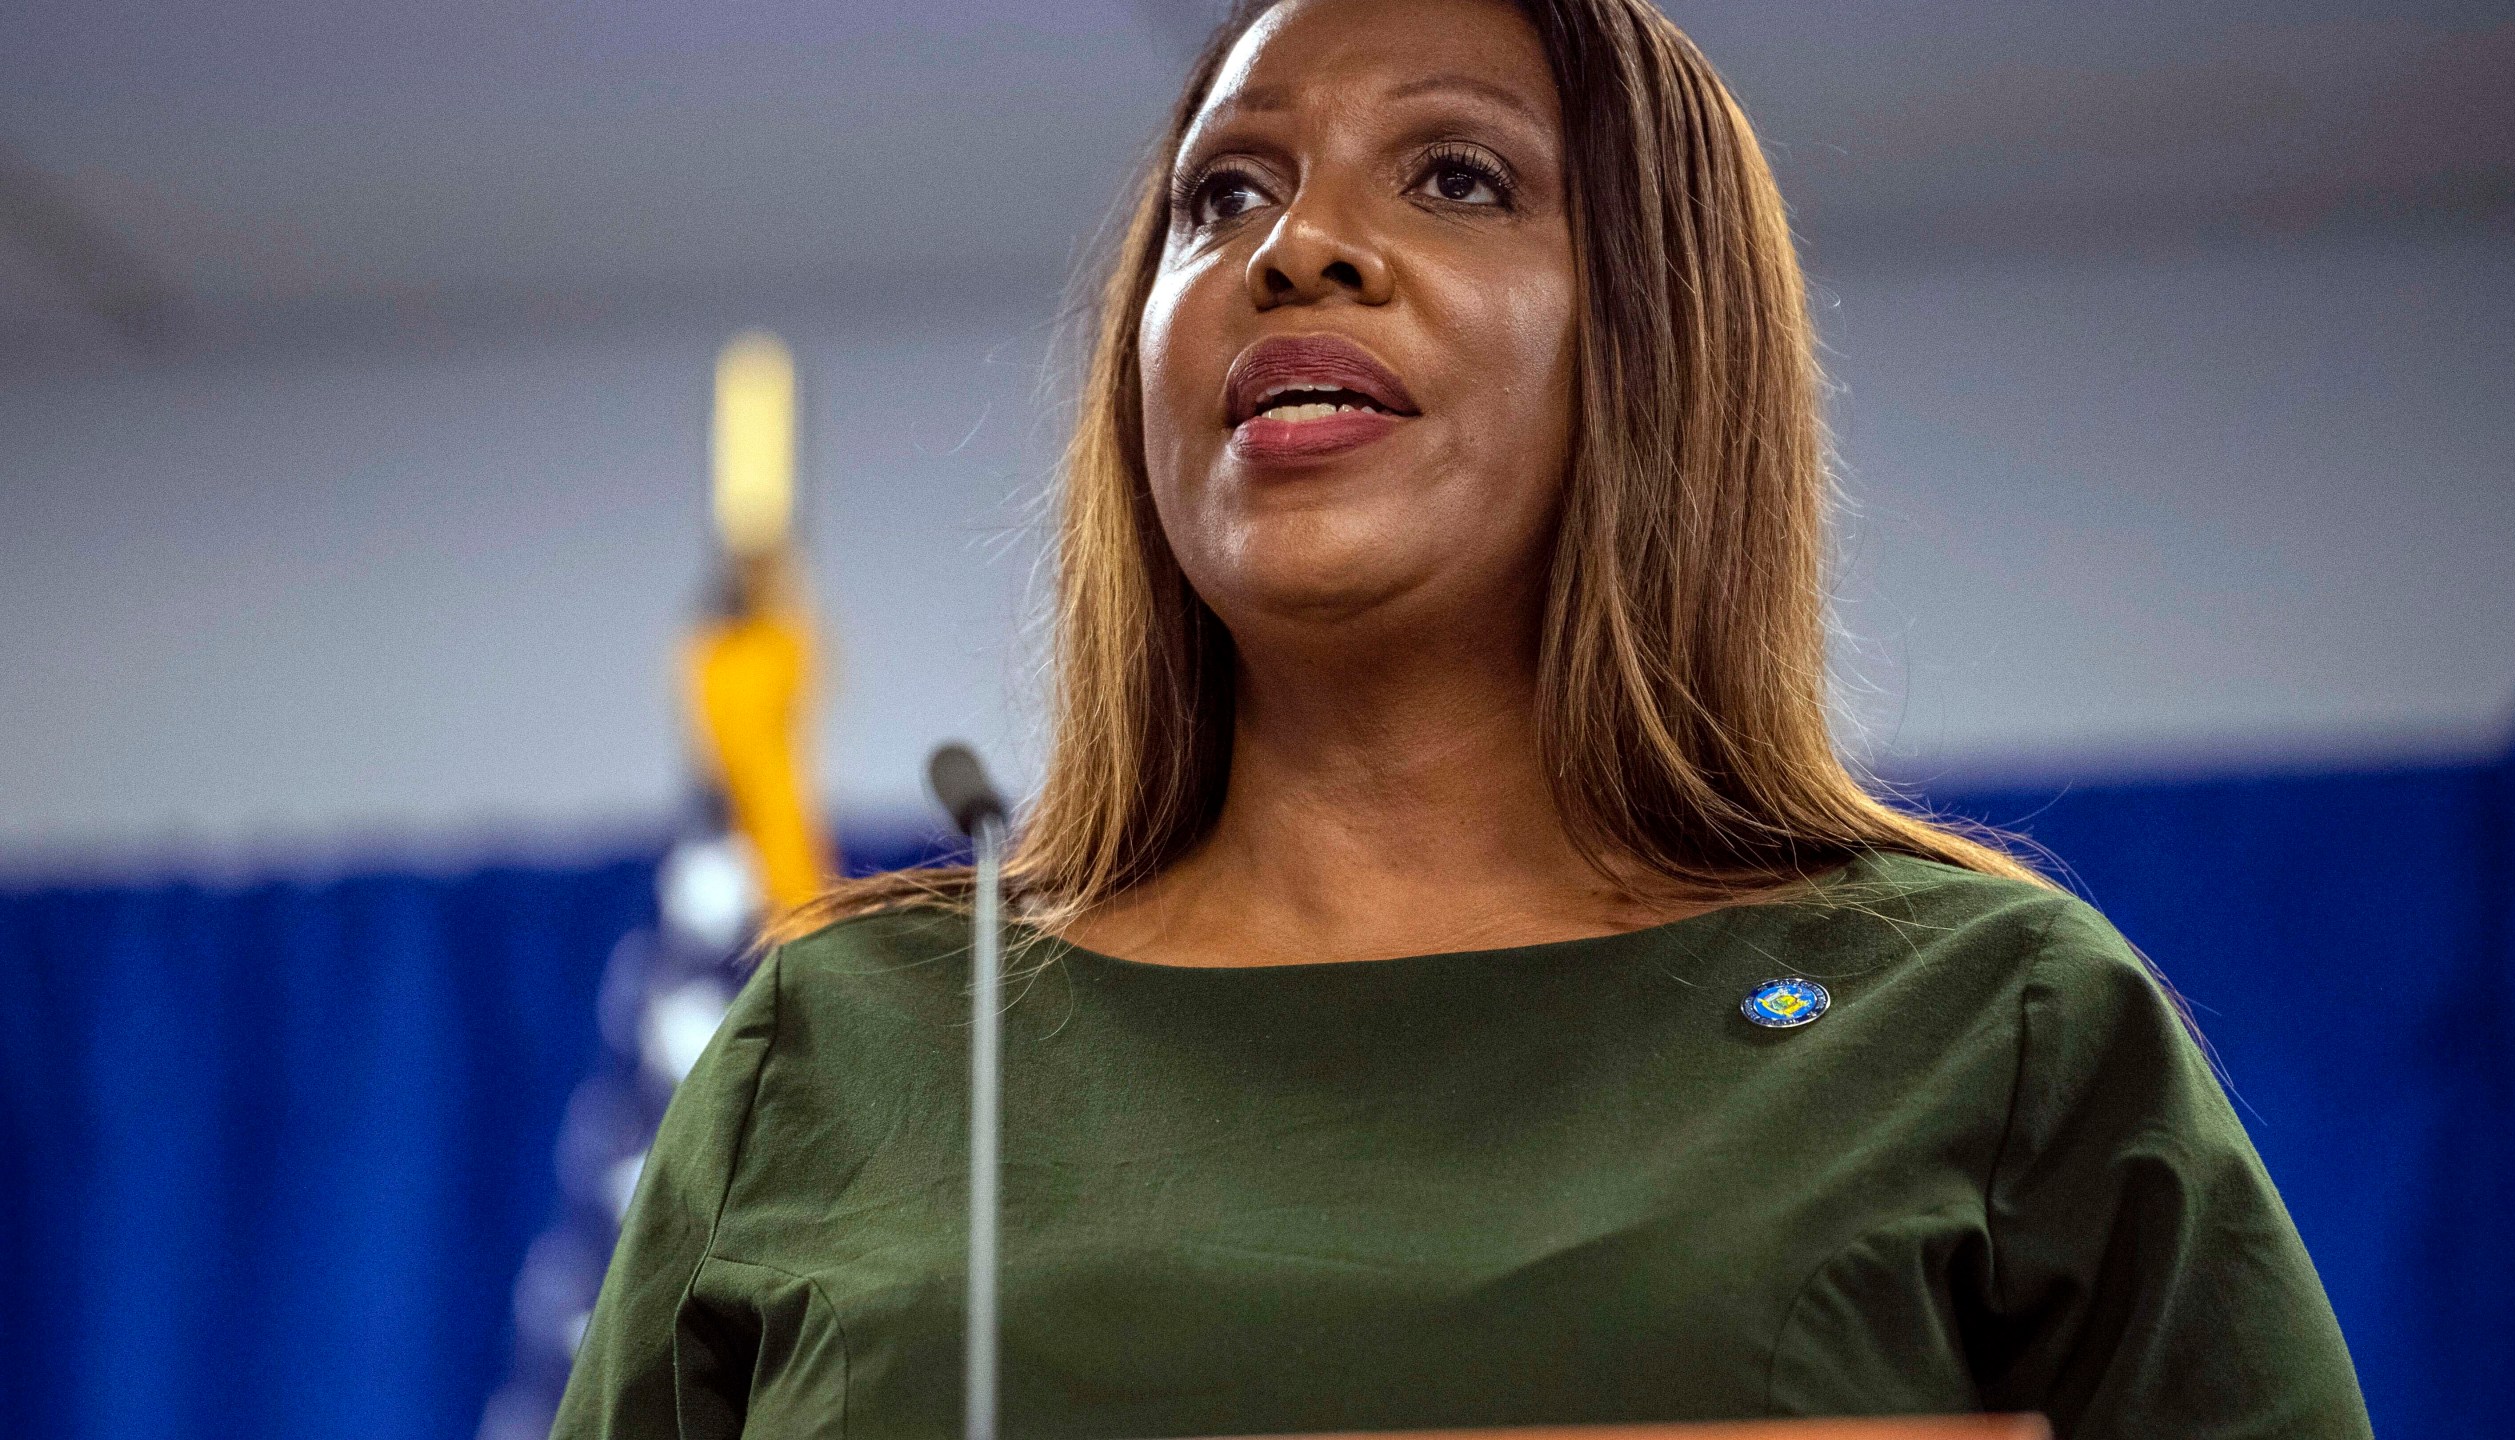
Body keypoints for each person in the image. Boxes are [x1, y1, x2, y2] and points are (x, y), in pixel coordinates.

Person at [551, 0, 2372, 1435]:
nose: (1299, 248)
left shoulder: (1987, 1024)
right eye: (1224, 194)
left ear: (1657, 335)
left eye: (1457, 178)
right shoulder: (844, 1048)